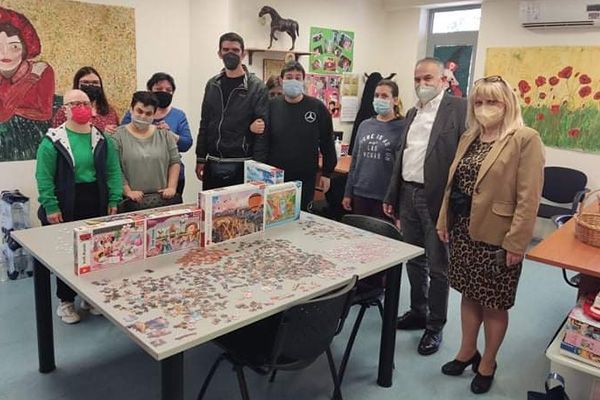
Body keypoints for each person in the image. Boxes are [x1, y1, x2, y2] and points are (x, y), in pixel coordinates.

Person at [436, 76, 544, 394]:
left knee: (494, 302)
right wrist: (444, 220)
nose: (485, 108)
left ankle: (488, 362)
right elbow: (452, 184)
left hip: (498, 235)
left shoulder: (525, 138)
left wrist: (517, 243)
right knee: (469, 294)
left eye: (492, 101)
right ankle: (467, 351)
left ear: (507, 104)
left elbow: (529, 197)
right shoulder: (470, 136)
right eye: (479, 102)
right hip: (464, 231)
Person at [383, 57, 467, 356]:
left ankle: (435, 325)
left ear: (443, 79)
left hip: (438, 198)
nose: (422, 84)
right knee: (414, 259)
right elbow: (403, 155)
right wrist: (392, 195)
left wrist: (455, 205)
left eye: (428, 78)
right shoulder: (412, 112)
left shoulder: (459, 108)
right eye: (417, 79)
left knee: (438, 265)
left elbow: (465, 157)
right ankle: (418, 311)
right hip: (408, 193)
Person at [35, 89, 122, 324]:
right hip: (66, 202)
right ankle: (65, 301)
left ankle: (89, 297)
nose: (80, 107)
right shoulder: (52, 141)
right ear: (65, 110)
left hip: (96, 199)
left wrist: (114, 198)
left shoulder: (101, 138)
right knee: (67, 254)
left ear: (91, 107)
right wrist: (51, 206)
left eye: (84, 102)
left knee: (94, 251)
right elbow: (43, 177)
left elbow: (113, 170)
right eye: (74, 104)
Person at [195, 32, 268, 190]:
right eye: (226, 49)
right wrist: (200, 157)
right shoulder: (212, 84)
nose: (230, 53)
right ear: (219, 53)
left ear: (243, 53)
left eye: (235, 50)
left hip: (242, 164)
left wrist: (257, 167)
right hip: (213, 162)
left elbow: (262, 131)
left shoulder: (257, 87)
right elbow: (204, 123)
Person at [267, 61, 337, 210]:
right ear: (281, 80)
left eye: (298, 77)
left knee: (303, 215)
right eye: (289, 77)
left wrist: (327, 173)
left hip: (305, 177)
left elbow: (327, 142)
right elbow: (263, 140)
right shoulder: (271, 106)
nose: (293, 80)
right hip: (275, 177)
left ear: (303, 80)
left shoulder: (317, 107)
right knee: (276, 214)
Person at [122, 72, 193, 195]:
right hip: (138, 176)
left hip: (171, 176)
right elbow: (123, 137)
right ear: (150, 90)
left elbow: (186, 144)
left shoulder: (178, 115)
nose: (164, 92)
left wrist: (170, 134)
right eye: (159, 89)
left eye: (168, 90)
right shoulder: (134, 114)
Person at [343, 80, 404, 219]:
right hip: (360, 193)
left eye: (384, 96)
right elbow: (355, 161)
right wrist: (348, 193)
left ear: (395, 100)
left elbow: (402, 167)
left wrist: (396, 199)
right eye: (376, 96)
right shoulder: (365, 125)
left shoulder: (403, 127)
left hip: (385, 197)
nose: (379, 99)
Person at [0, 5, 55, 161]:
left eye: (14, 46)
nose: (5, 53)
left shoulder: (42, 70)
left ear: (24, 48)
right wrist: (29, 80)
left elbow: (45, 113)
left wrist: (31, 78)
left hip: (33, 136)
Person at [112, 91, 180, 203]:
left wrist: (171, 188)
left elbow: (175, 162)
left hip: (162, 199)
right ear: (131, 109)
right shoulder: (117, 137)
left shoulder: (164, 134)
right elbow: (115, 168)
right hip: (131, 201)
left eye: (148, 113)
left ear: (154, 114)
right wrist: (128, 191)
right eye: (139, 111)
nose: (143, 116)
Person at [52, 66, 119, 134]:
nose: (90, 85)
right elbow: (57, 135)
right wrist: (100, 132)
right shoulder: (66, 110)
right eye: (85, 82)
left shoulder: (110, 111)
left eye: (95, 82)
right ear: (77, 85)